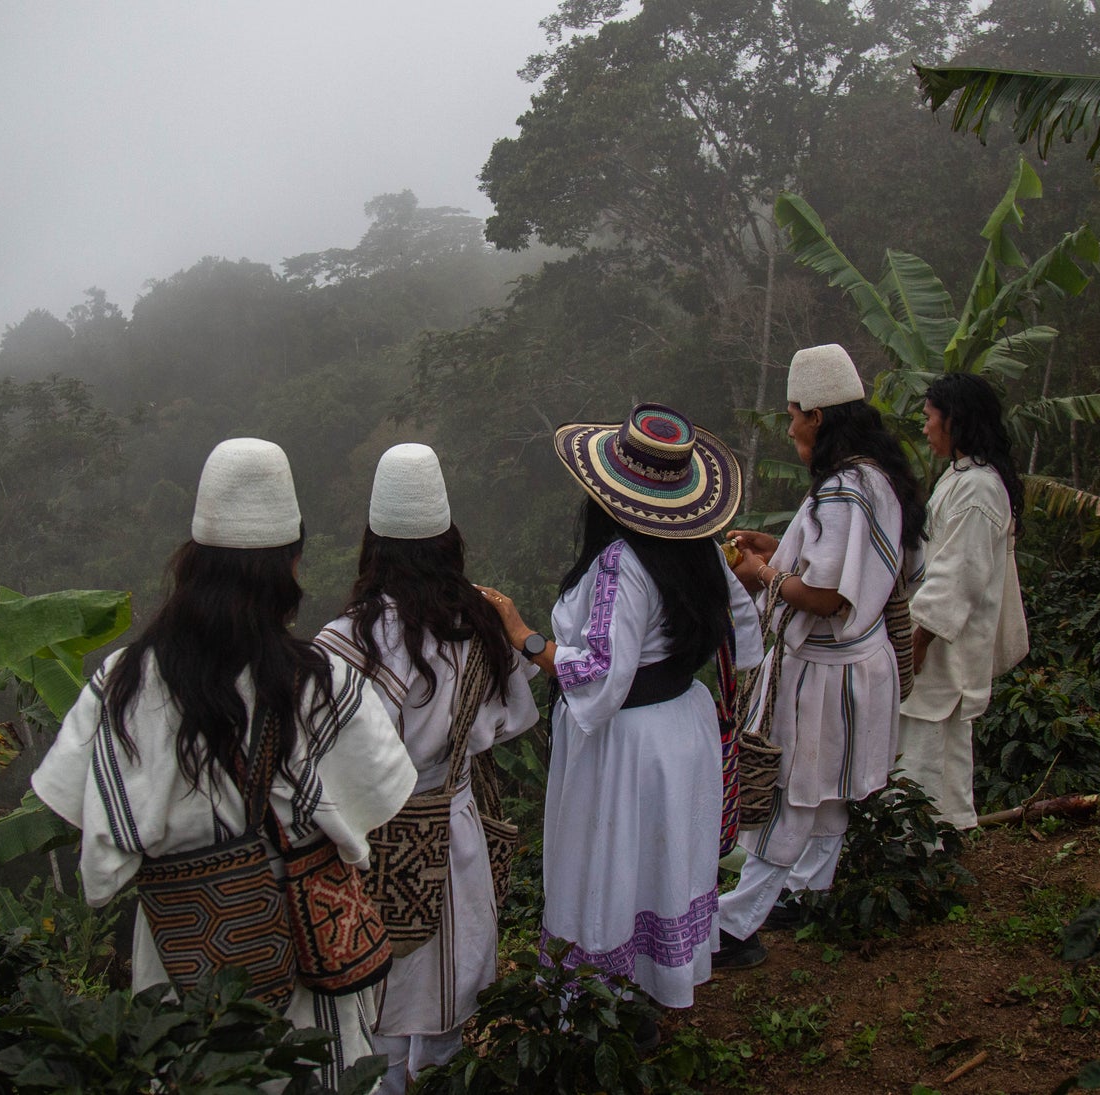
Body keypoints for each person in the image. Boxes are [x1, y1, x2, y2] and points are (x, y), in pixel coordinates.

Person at [31, 437, 416, 1090]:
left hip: (186, 960)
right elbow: (379, 801)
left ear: (192, 564)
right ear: (290, 564)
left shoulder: (124, 685)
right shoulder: (324, 685)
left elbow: (91, 832)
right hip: (305, 954)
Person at [479, 403, 762, 1014]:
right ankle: (656, 985)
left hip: (625, 741)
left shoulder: (620, 564)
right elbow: (743, 629)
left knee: (605, 860)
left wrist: (522, 633)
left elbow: (599, 672)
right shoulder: (701, 550)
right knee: (660, 860)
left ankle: (602, 1004)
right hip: (683, 726)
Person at [313, 443, 540, 1094]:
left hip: (376, 843)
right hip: (455, 826)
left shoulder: (343, 642)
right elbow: (509, 720)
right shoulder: (481, 626)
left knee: (379, 1001)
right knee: (451, 991)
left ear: (373, 543)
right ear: (449, 541)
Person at [714, 344, 926, 969]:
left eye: (794, 414)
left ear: (818, 415)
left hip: (824, 673)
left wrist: (763, 575)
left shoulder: (841, 490)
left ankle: (735, 925)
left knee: (791, 794)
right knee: (828, 794)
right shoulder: (876, 478)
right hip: (863, 666)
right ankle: (809, 890)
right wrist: (776, 547)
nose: (790, 427)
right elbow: (855, 565)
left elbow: (830, 594)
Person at [897, 373, 1030, 830]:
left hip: (942, 644)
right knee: (936, 748)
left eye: (929, 417)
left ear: (953, 420)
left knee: (927, 748)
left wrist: (920, 635)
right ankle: (943, 837)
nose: (925, 426)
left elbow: (960, 574)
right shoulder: (962, 479)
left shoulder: (978, 488)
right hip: (939, 641)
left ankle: (922, 845)